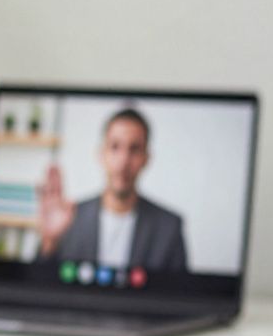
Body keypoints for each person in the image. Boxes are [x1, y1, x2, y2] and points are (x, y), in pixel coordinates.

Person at [36, 107, 187, 272]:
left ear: (146, 158)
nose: (124, 161)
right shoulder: (69, 218)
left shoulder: (169, 227)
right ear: (101, 154)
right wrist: (49, 242)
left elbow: (179, 295)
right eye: (115, 147)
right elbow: (38, 288)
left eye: (134, 149)